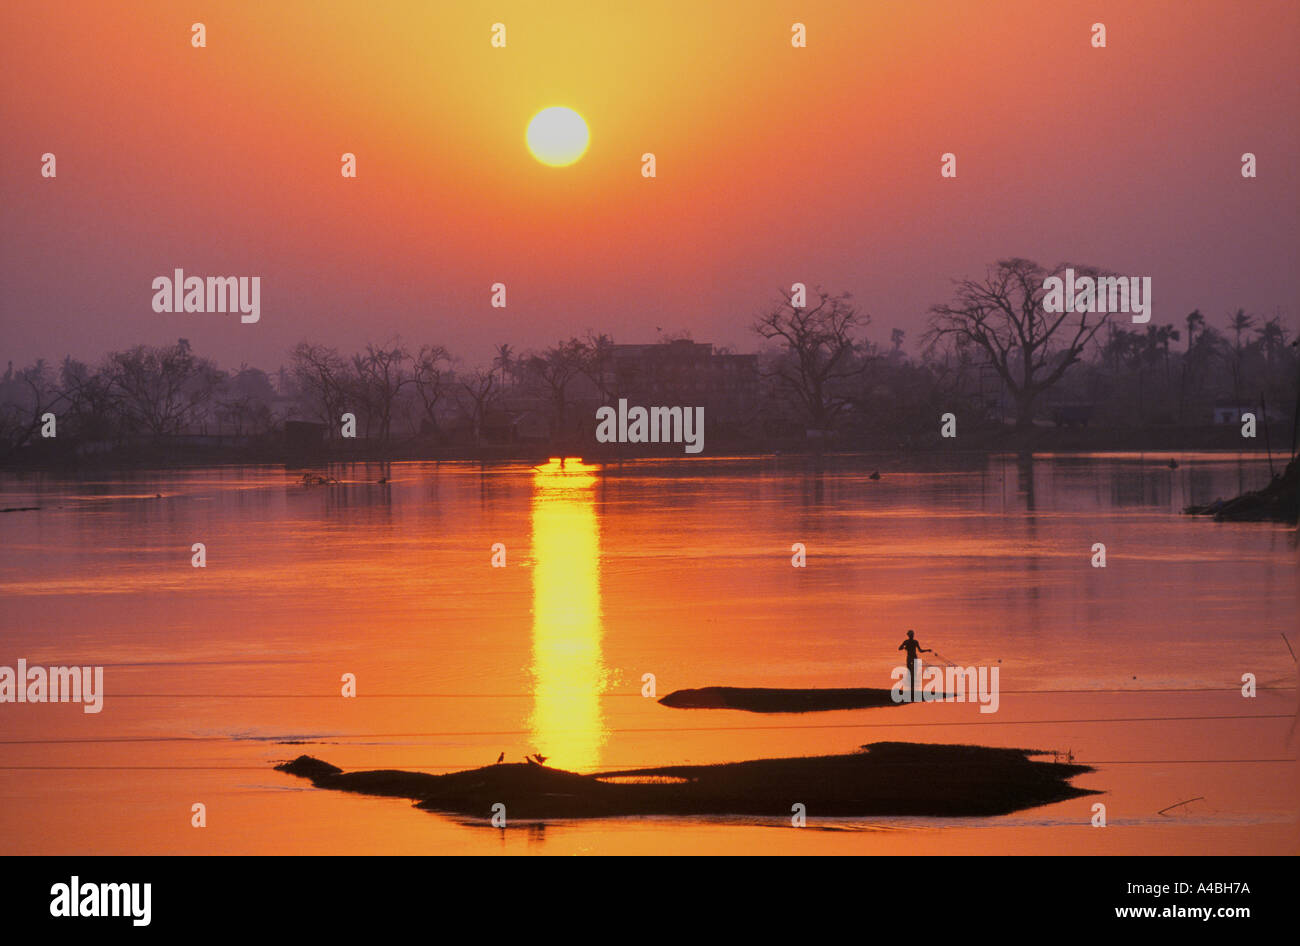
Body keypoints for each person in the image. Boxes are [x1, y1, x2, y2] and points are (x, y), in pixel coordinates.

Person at [898, 629, 931, 702]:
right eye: (911, 635)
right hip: (912, 658)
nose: (912, 636)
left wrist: (927, 650)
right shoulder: (912, 642)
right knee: (912, 672)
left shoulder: (907, 642)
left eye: (911, 635)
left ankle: (911, 687)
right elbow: (900, 648)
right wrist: (904, 647)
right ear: (911, 635)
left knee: (911, 672)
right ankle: (911, 688)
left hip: (911, 658)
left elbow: (900, 648)